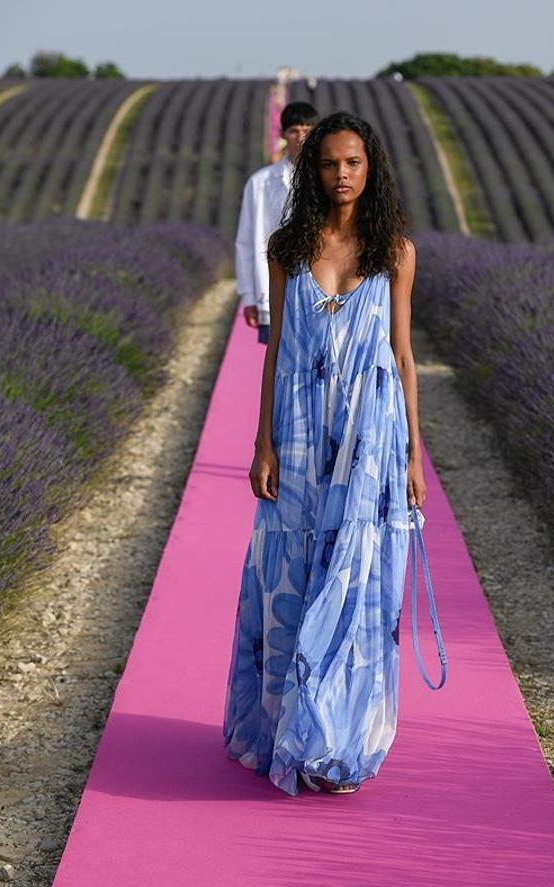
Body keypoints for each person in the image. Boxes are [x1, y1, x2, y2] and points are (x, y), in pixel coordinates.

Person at [223, 111, 426, 796]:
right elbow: (276, 353)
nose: (341, 175)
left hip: (370, 439)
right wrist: (262, 443)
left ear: (372, 170)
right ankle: (288, 727)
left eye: (353, 163)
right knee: (291, 580)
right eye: (330, 163)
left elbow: (402, 355)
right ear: (312, 170)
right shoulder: (288, 248)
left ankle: (337, 743)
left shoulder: (394, 251)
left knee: (357, 583)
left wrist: (414, 456)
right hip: (301, 439)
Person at [234, 101, 319, 345]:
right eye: (294, 131)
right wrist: (249, 296)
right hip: (275, 292)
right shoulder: (260, 183)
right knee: (279, 367)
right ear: (283, 135)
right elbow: (246, 242)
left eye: (308, 130)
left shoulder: (330, 180)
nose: (301, 138)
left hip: (321, 294)